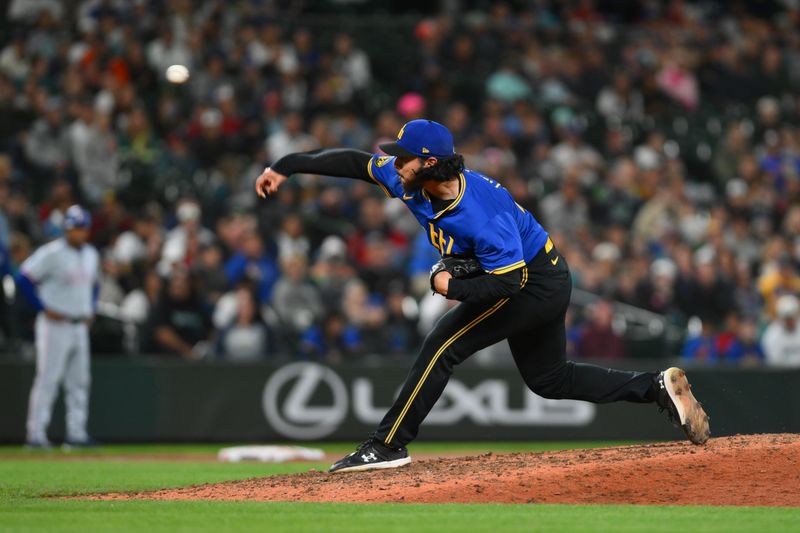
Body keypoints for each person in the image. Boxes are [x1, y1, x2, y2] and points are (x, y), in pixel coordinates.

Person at [255, 119, 710, 474]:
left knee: (442, 345)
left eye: (405, 159)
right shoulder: (410, 178)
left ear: (430, 164)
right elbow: (355, 163)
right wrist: (288, 164)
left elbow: (509, 284)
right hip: (541, 273)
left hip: (532, 281)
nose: (395, 165)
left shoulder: (479, 213)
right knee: (548, 379)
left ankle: (386, 445)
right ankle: (654, 387)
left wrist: (451, 287)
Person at [16, 205, 99, 448]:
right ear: (66, 229)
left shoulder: (91, 254)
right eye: (75, 228)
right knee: (48, 380)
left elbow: (94, 285)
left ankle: (76, 435)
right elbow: (24, 277)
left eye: (82, 228)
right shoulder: (52, 252)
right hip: (55, 324)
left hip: (79, 325)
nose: (79, 233)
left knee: (80, 381)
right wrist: (42, 307)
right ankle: (36, 435)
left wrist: (91, 307)